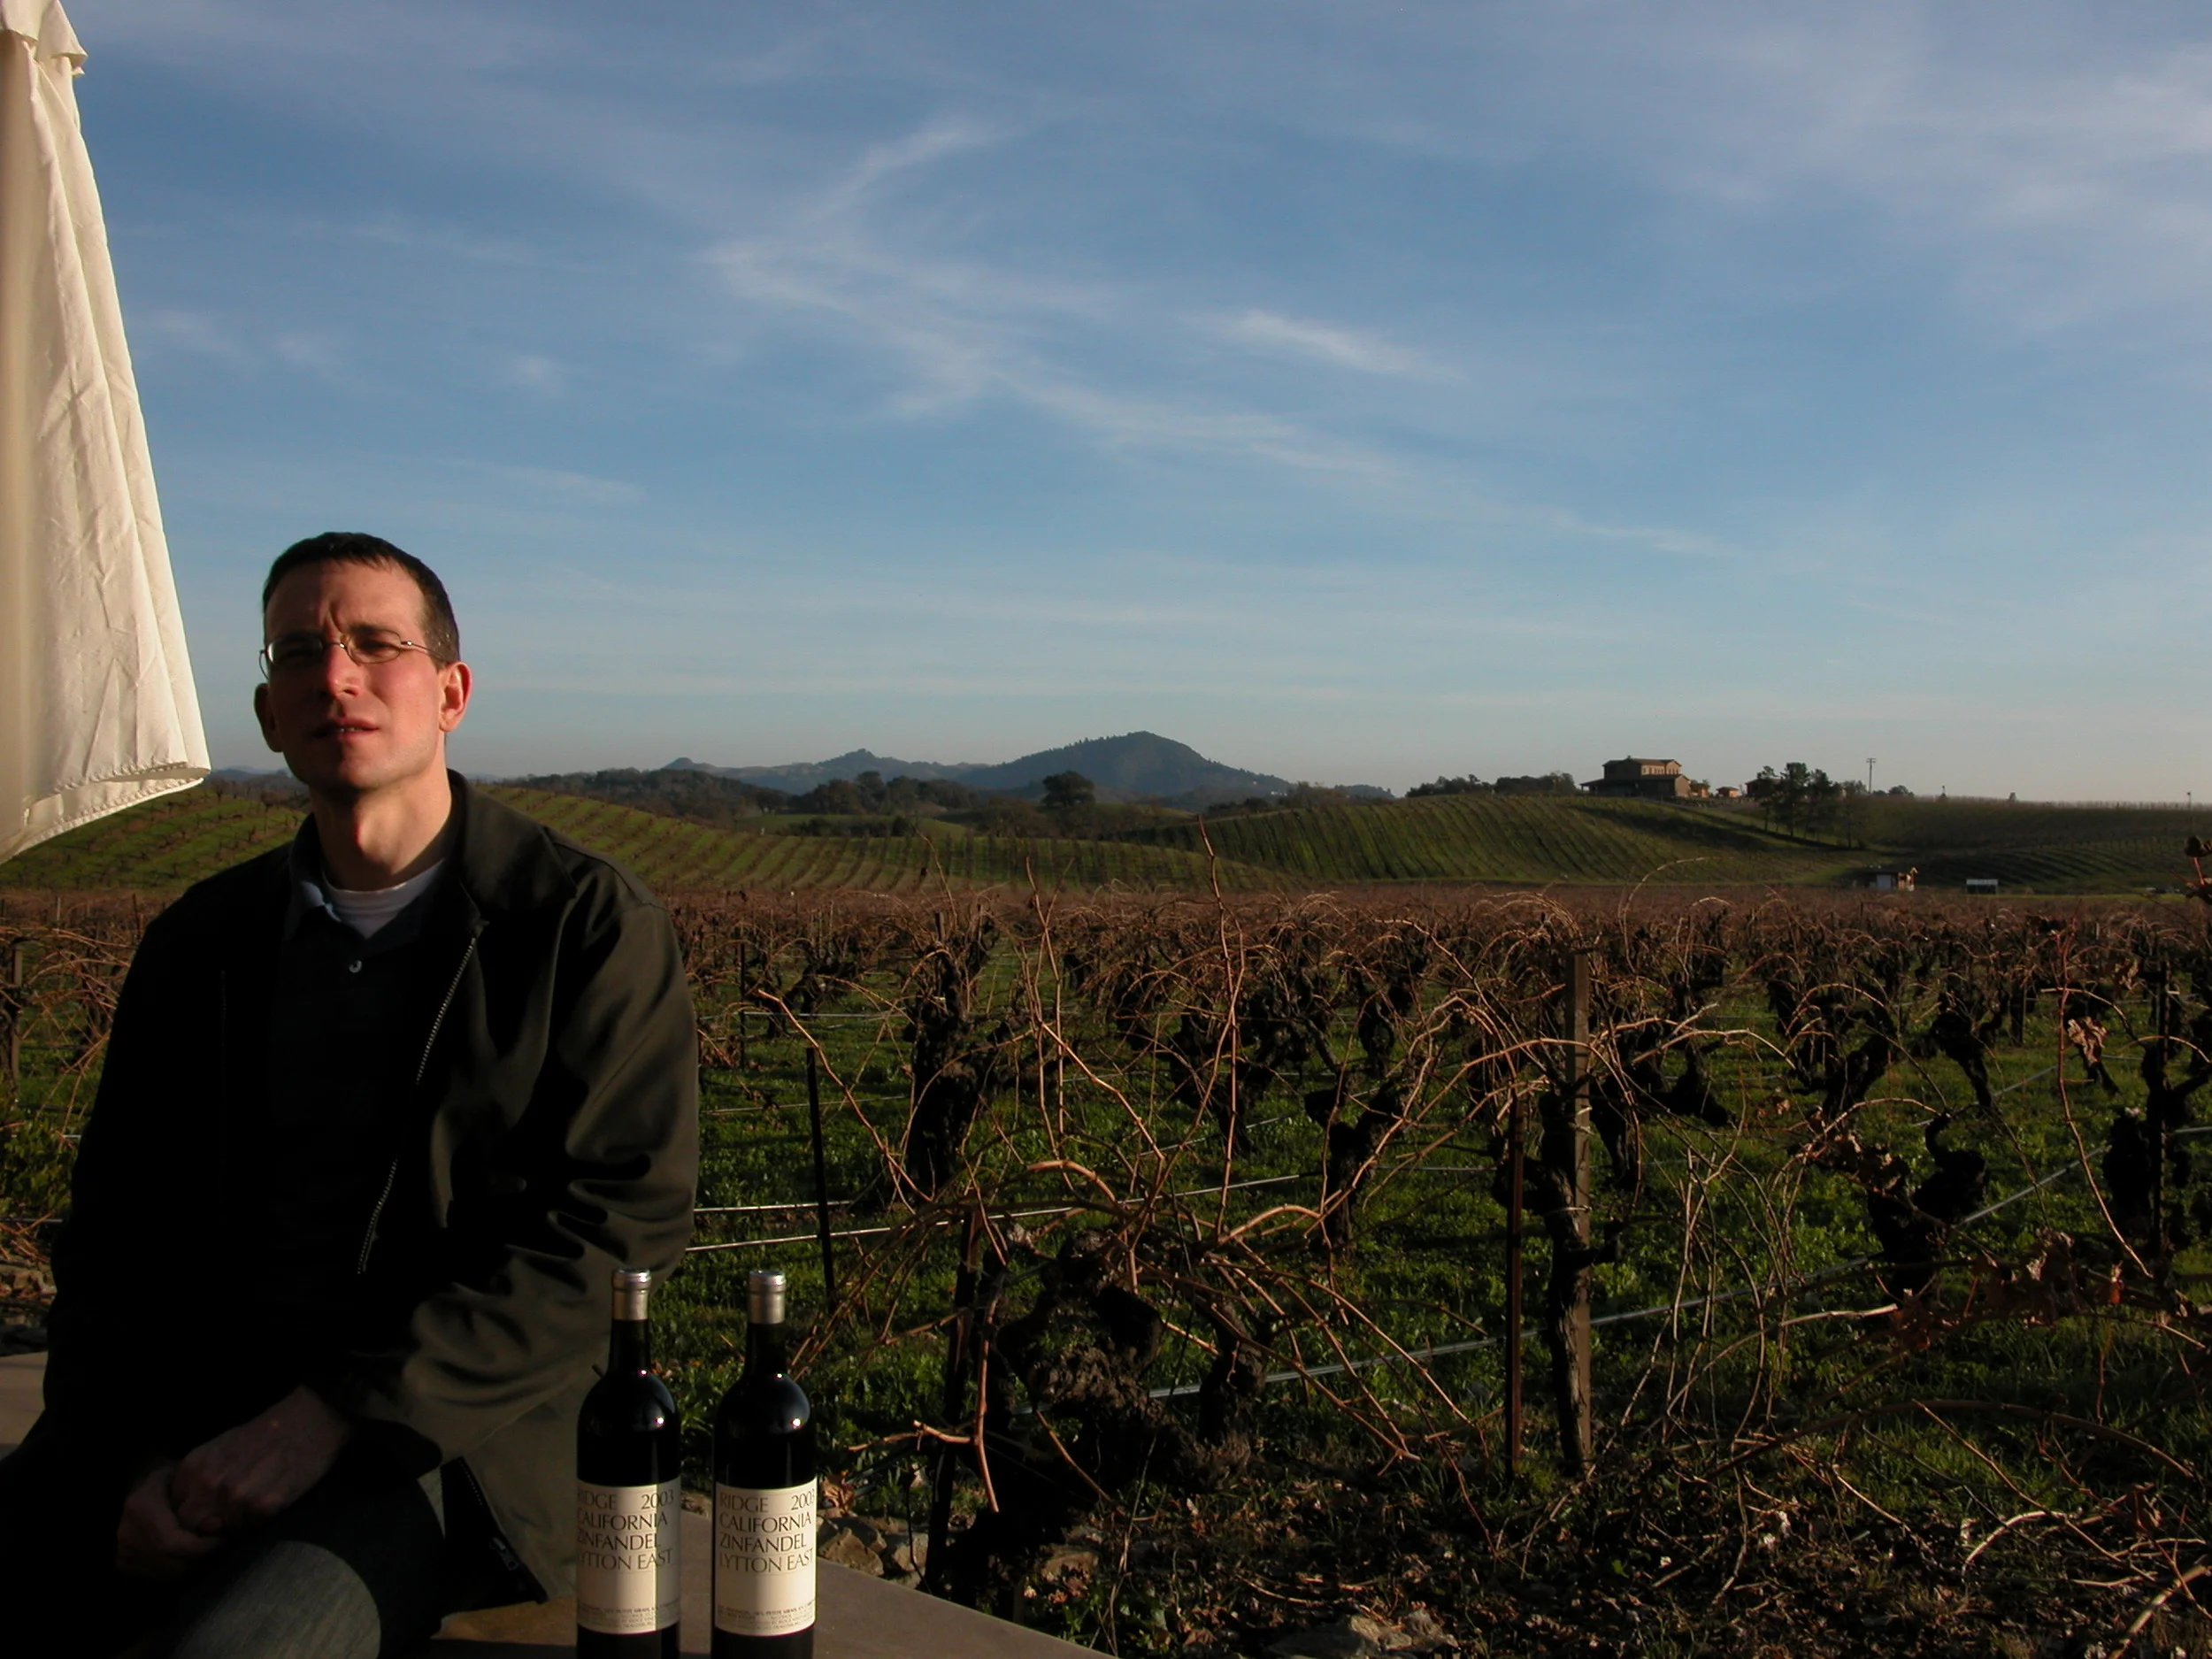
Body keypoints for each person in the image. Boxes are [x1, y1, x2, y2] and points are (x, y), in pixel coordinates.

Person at [0, 533, 698, 1656]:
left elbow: (613, 1232)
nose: (335, 675)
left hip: (437, 1454)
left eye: (378, 643)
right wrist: (125, 1460)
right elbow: (114, 1234)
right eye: (297, 653)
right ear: (270, 713)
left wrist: (330, 1418)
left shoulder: (580, 925)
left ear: (451, 692)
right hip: (184, 1430)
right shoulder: (202, 940)